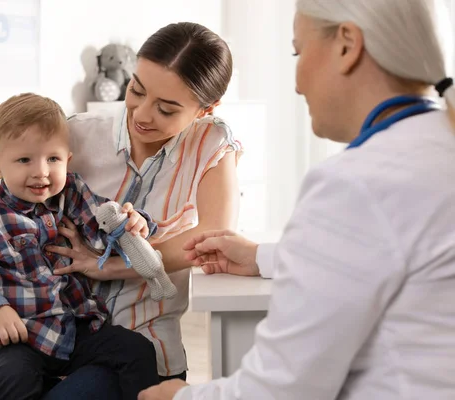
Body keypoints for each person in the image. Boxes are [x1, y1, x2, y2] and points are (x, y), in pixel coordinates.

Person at [138, 0, 455, 399]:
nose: (297, 83)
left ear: (346, 44)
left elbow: (281, 390)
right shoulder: (435, 149)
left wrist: (176, 397)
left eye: (298, 52)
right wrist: (262, 257)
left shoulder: (358, 183)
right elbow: (394, 256)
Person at [0, 22, 245, 399]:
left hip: (123, 338)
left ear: (205, 109)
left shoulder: (210, 146)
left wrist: (114, 258)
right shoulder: (72, 136)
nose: (142, 114)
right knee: (8, 385)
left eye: (166, 108)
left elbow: (212, 236)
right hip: (39, 334)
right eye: (136, 89)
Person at [0, 92, 160, 400]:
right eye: (24, 160)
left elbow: (102, 223)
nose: (41, 171)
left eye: (52, 159)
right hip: (18, 336)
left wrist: (133, 222)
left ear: (67, 159)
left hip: (76, 328)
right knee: (15, 377)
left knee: (137, 350)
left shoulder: (71, 192)